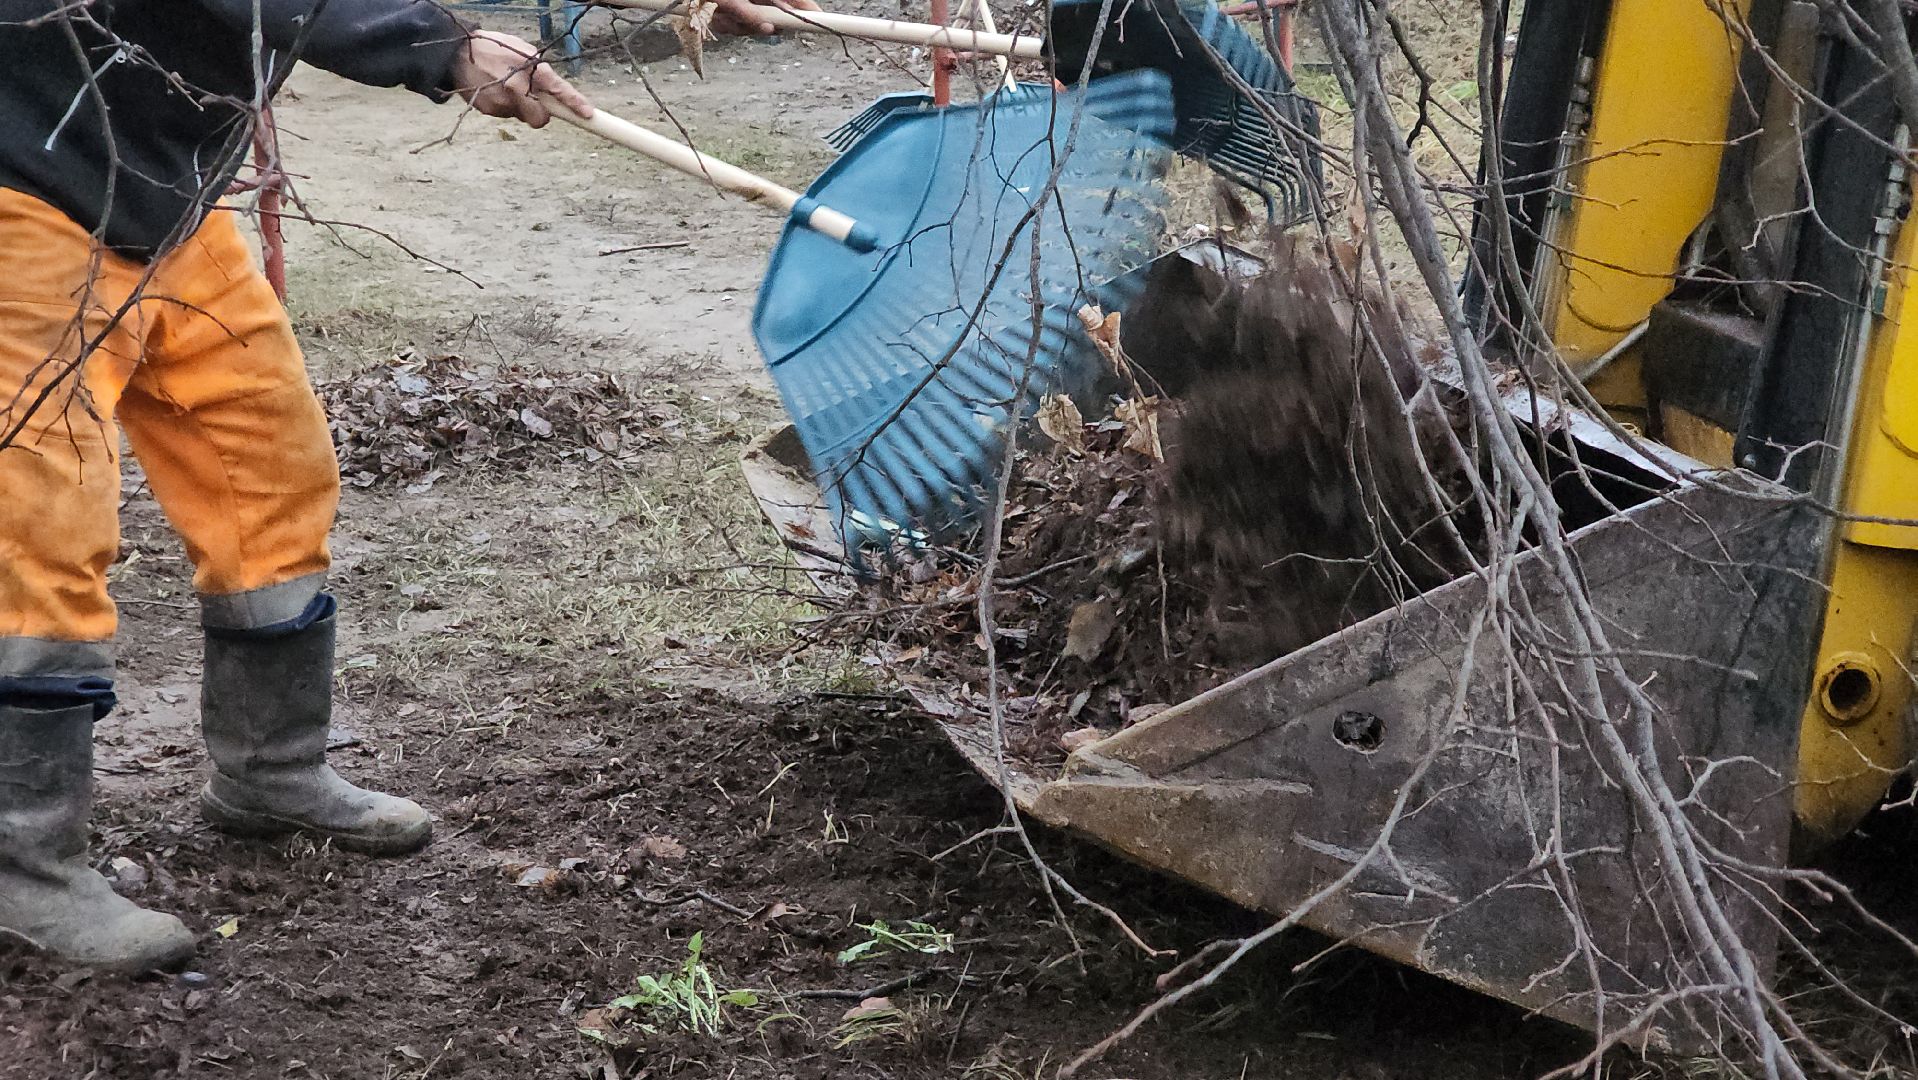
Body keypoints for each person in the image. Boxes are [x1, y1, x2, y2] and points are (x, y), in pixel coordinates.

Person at [0, 0, 790, 973]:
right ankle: (24, 864)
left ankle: (270, 772)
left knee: (270, 474)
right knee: (40, 530)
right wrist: (439, 45)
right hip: (27, 185)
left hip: (163, 196)